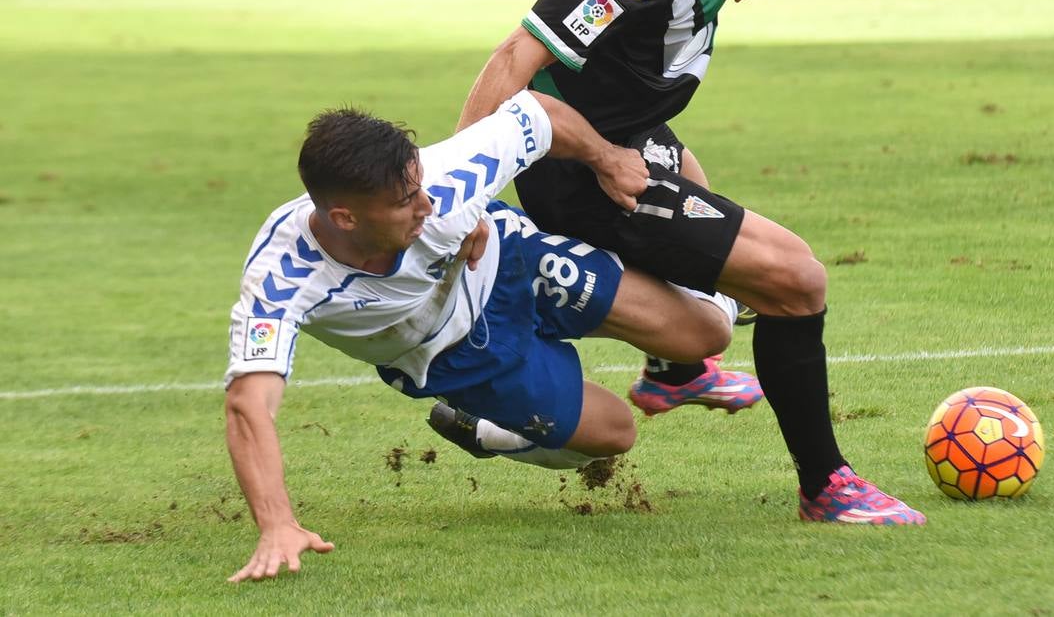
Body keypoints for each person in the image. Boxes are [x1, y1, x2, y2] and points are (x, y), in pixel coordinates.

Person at [446, 0, 926, 526]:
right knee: (794, 281)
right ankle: (826, 486)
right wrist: (456, 198)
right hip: (589, 162)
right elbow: (515, 59)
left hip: (638, 127)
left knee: (704, 216)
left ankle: (673, 370)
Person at [224, 91, 741, 582]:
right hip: (451, 355)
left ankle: (724, 311)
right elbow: (249, 405)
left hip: (512, 263)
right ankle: (484, 430)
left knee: (704, 334)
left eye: (421, 186)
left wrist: (606, 158)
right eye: (407, 201)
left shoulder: (441, 182)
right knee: (613, 434)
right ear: (345, 218)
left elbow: (539, 114)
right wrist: (276, 524)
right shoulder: (281, 280)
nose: (427, 206)